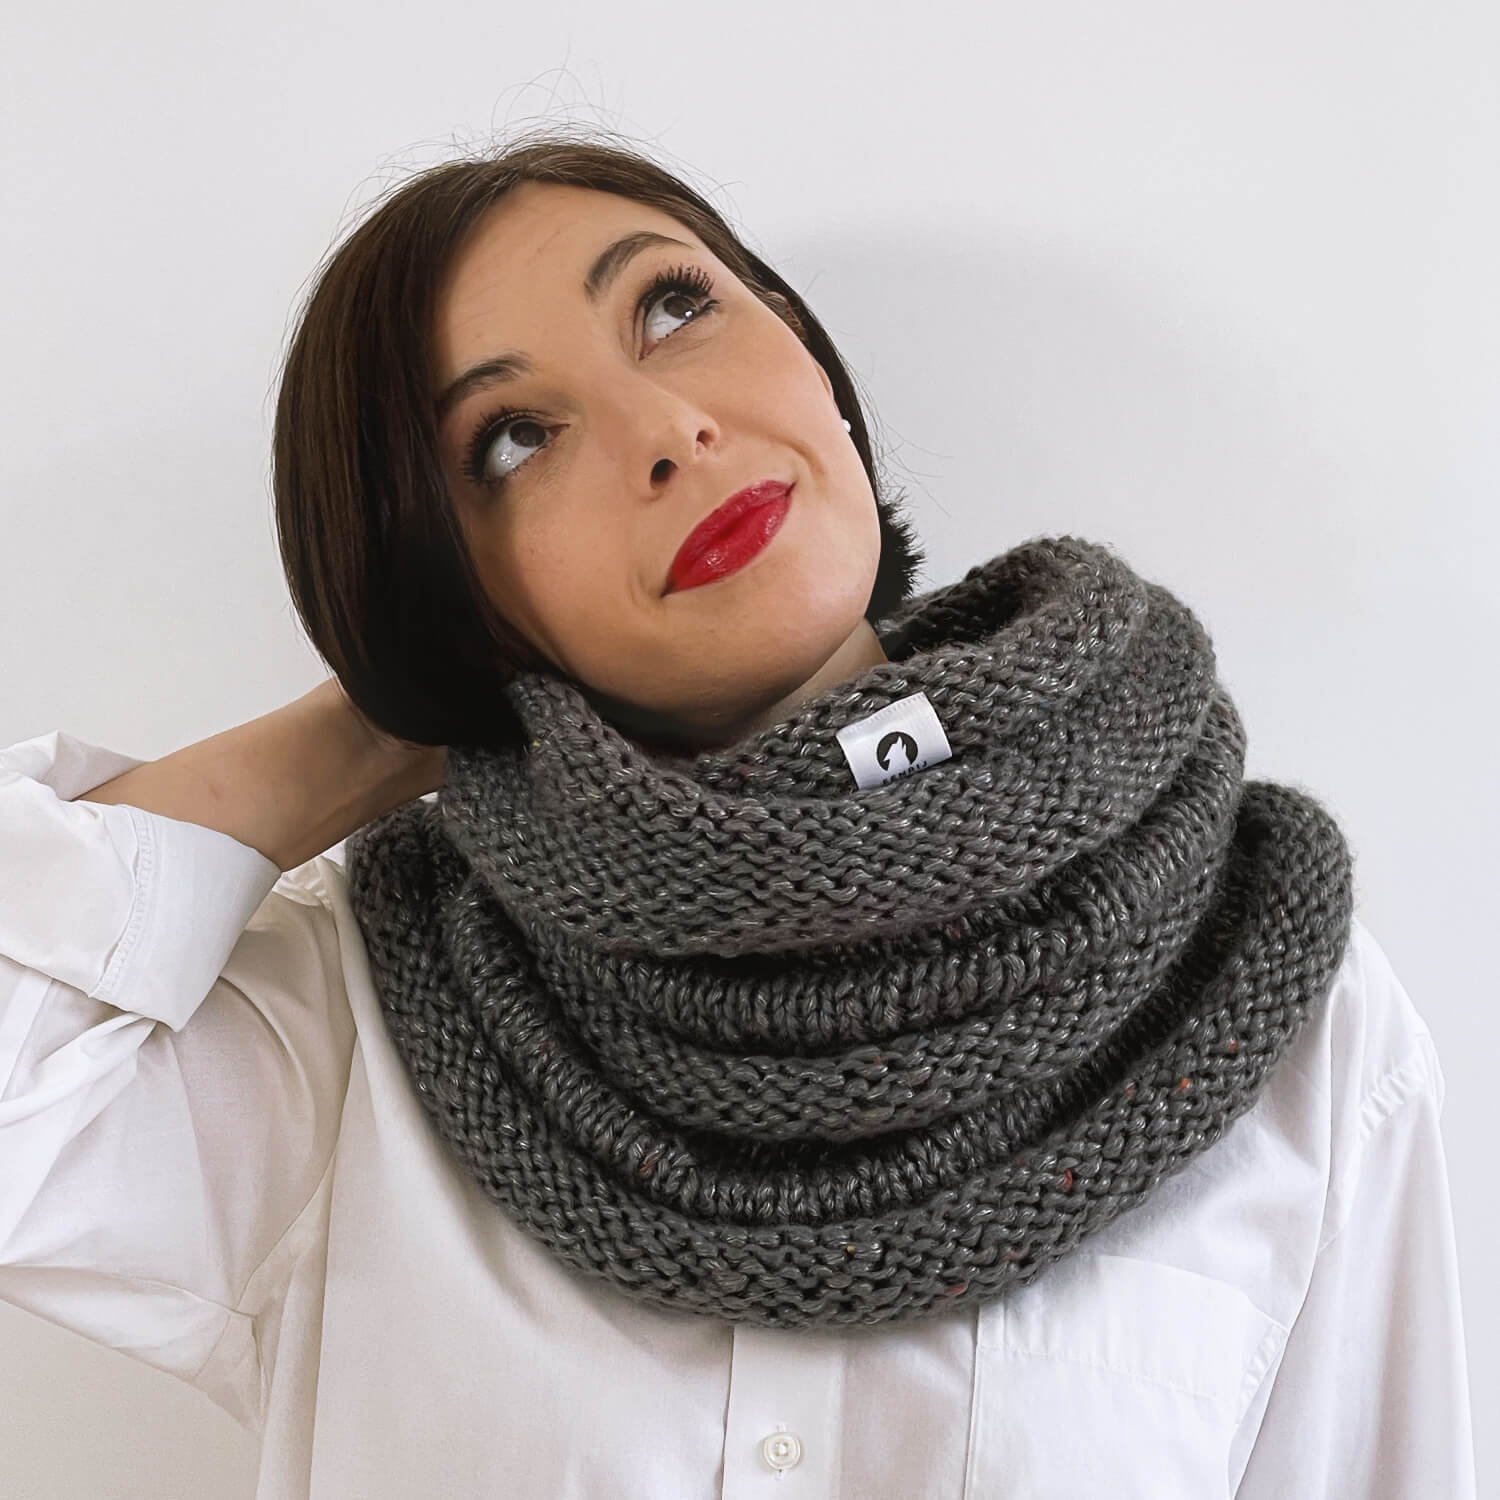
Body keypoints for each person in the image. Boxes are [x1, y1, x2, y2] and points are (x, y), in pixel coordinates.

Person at [0, 129, 1476, 1499]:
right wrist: (394, 708)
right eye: (513, 440)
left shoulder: (1276, 1009)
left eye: (673, 307)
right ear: (453, 583)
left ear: (805, 348)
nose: (666, 430)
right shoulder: (354, 1031)